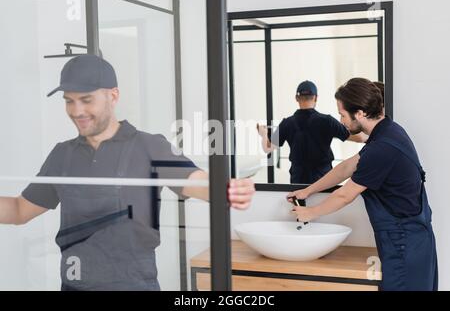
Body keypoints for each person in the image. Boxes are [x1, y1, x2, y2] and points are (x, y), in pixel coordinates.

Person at [0, 55, 255, 291]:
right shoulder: (62, 155)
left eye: (86, 100)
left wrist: (227, 189)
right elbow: (20, 210)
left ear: (113, 96)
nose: (76, 110)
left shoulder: (149, 147)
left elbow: (195, 181)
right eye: (69, 101)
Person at [287, 78, 438, 291]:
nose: (341, 120)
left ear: (360, 113)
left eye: (342, 114)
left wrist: (311, 213)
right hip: (412, 240)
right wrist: (308, 190)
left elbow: (345, 195)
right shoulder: (388, 131)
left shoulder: (381, 149)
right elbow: (347, 167)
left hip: (404, 243)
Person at [257, 80, 367, 184]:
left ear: (297, 98)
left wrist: (263, 134)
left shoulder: (287, 123)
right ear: (315, 98)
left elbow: (268, 148)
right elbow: (361, 138)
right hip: (324, 180)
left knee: (300, 205)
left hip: (298, 181)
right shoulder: (327, 121)